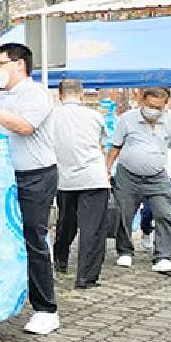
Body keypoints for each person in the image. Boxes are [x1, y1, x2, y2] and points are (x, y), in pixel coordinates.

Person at [0, 42, 60, 335]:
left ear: (19, 64)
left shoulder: (36, 94)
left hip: (36, 176)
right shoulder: (2, 98)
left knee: (33, 238)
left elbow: (24, 127)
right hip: (5, 176)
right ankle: (4, 297)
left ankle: (46, 310)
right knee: (4, 240)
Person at [106, 87, 171, 274]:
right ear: (142, 101)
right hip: (128, 175)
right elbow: (115, 147)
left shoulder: (170, 122)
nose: (154, 110)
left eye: (158, 107)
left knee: (164, 213)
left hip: (157, 176)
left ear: (165, 105)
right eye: (150, 105)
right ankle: (125, 251)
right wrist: (107, 170)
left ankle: (163, 257)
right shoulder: (127, 119)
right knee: (124, 215)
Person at [50, 79, 110, 289]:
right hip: (93, 178)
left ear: (60, 95)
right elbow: (102, 147)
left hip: (64, 178)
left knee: (66, 223)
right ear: (82, 95)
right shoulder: (95, 116)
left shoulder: (50, 116)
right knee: (92, 229)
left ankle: (60, 260)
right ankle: (86, 277)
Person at [138, 106, 171, 251]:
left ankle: (162, 244)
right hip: (150, 171)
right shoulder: (145, 119)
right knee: (149, 209)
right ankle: (146, 230)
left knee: (167, 211)